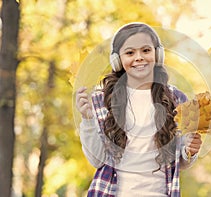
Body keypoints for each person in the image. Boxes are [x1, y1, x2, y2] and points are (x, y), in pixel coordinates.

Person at [76, 22, 202, 197]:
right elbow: (97, 160)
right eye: (129, 53)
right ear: (117, 60)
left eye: (146, 50)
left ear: (157, 54)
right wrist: (87, 119)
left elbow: (180, 160)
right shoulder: (102, 100)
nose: (139, 57)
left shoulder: (177, 99)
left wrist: (190, 151)